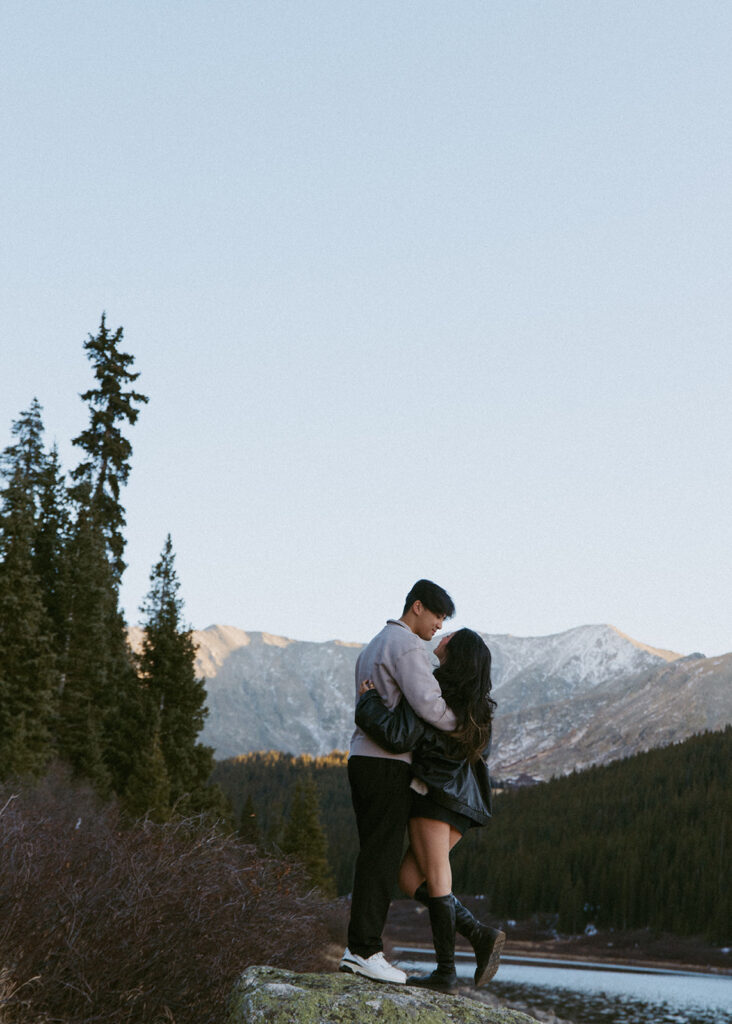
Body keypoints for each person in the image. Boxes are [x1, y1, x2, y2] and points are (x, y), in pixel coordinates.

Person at [355, 627, 505, 993]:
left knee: (437, 877)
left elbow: (399, 735)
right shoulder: (475, 706)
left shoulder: (438, 694)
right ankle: (477, 932)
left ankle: (446, 972)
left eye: (449, 636)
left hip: (433, 796)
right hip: (460, 804)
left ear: (456, 652)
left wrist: (370, 702)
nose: (442, 636)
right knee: (410, 880)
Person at [339, 580, 457, 985]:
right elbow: (428, 705)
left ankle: (360, 948)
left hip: (363, 759)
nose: (438, 626)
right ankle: (364, 951)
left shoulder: (374, 643)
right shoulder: (407, 645)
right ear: (418, 606)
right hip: (388, 763)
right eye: (437, 616)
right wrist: (462, 726)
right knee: (382, 857)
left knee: (374, 852)